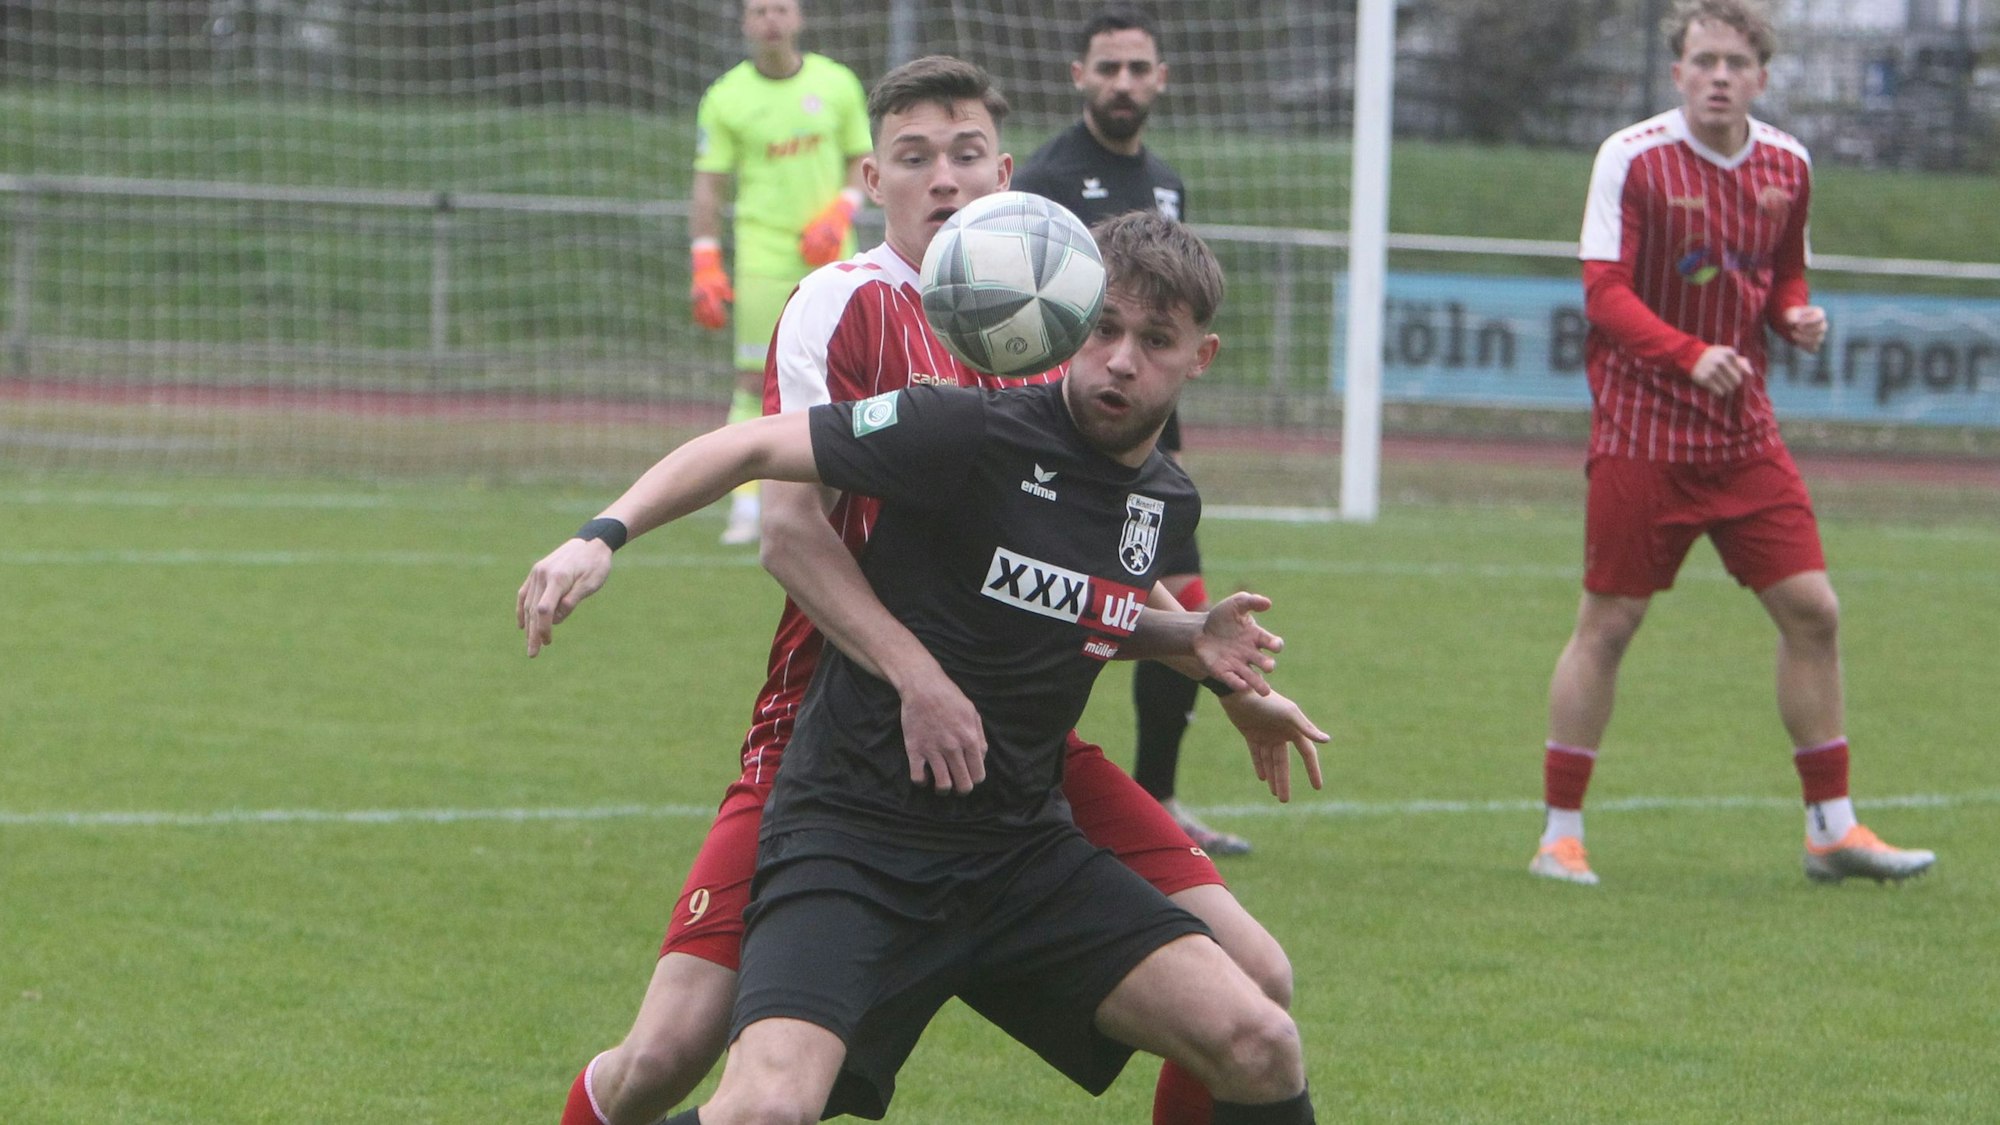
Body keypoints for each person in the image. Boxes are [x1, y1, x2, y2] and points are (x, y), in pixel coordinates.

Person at [541, 57, 1325, 1125]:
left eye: (965, 156)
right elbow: (784, 523)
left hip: (1012, 767)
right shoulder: (849, 310)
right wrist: (604, 535)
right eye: (915, 157)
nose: (943, 179)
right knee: (674, 1050)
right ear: (873, 176)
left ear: (1002, 175)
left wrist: (1203, 650)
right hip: (842, 734)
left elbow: (1068, 591)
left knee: (1257, 996)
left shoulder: (1044, 344)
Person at [1529, 0, 1936, 887]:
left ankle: (1833, 828)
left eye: (1736, 61)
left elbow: (1783, 271)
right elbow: (1603, 294)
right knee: (1610, 624)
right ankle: (1560, 833)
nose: (1719, 75)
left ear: (1761, 75)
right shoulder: (1631, 158)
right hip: (1642, 431)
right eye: (1703, 59)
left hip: (1744, 433)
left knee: (1814, 612)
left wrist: (1793, 315)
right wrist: (1686, 351)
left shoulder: (1788, 163)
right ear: (1677, 72)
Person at [1013, 3, 1244, 858]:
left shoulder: (1169, 182)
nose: (1122, 83)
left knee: (1182, 601)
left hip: (1149, 437)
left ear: (1160, 79)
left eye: (1136, 68)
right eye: (1106, 67)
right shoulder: (1044, 178)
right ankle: (1036, 784)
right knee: (1051, 603)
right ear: (1079, 77)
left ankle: (1160, 799)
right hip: (1059, 435)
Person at [689, 0, 871, 545]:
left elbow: (861, 164)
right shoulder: (726, 97)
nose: (771, 19)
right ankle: (745, 505)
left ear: (799, 18)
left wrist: (840, 211)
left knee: (848, 374)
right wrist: (705, 258)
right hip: (764, 256)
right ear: (745, 23)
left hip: (834, 255)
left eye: (781, 8)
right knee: (754, 380)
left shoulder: (837, 84)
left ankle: (853, 497)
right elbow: (709, 183)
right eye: (759, 10)